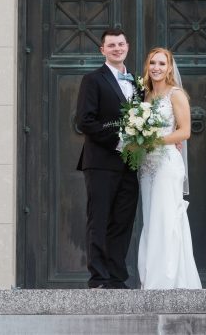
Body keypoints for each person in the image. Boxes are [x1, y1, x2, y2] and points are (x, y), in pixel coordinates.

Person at [75, 28, 140, 289]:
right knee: (99, 219)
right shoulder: (92, 80)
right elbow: (85, 121)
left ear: (127, 47)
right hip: (101, 162)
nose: (117, 48)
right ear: (102, 50)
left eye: (121, 44)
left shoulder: (137, 82)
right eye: (111, 45)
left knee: (122, 222)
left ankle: (116, 277)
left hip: (130, 164)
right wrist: (120, 140)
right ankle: (99, 278)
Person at [137, 47, 202, 289]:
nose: (156, 67)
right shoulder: (145, 96)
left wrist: (155, 141)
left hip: (167, 163)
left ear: (169, 67)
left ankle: (166, 281)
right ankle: (151, 279)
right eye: (152, 63)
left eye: (162, 64)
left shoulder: (176, 95)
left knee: (165, 219)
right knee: (151, 219)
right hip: (146, 166)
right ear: (147, 66)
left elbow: (184, 132)